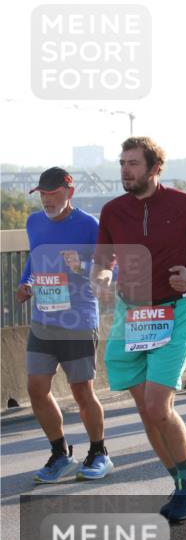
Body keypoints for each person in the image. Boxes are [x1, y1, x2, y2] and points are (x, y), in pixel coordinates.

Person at [92, 137, 186, 521]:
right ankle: (178, 482)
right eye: (122, 163)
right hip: (131, 316)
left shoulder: (183, 204)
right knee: (145, 410)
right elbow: (103, 260)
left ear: (155, 168)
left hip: (173, 312)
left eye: (133, 164)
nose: (125, 170)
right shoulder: (113, 211)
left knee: (158, 405)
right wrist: (103, 277)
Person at [16, 167, 110, 483]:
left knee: (82, 391)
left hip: (79, 321)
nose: (47, 200)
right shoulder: (34, 222)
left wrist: (81, 265)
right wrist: (25, 283)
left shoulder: (89, 226)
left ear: (69, 192)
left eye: (53, 194)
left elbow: (112, 269)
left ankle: (99, 453)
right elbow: (34, 259)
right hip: (43, 320)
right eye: (42, 194)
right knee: (36, 389)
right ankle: (60, 454)